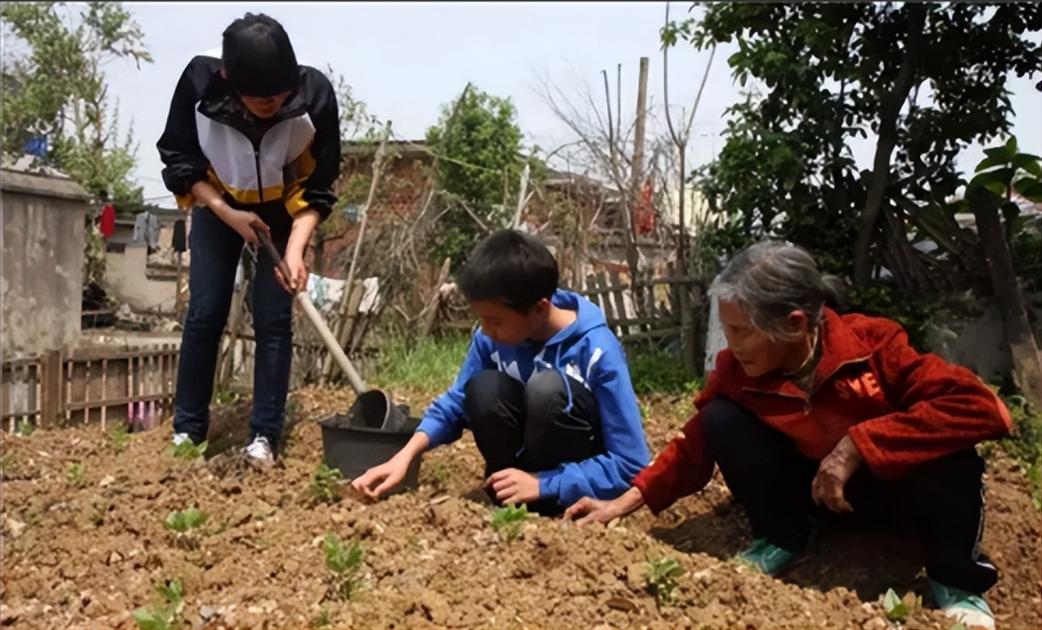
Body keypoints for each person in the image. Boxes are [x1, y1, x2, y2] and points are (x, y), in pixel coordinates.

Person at [565, 241, 1011, 630]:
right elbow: (696, 441)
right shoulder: (738, 372)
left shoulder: (873, 347)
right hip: (818, 500)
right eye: (728, 331)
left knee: (951, 452)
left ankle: (955, 579)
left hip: (898, 499)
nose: (731, 345)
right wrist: (623, 503)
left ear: (796, 325)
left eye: (741, 331)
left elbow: (982, 408)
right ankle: (785, 537)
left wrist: (860, 443)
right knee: (720, 419)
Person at [352, 229, 651, 514]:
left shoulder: (597, 350)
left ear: (538, 308)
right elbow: (457, 401)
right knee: (484, 388)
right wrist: (405, 456)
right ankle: (506, 492)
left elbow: (630, 463)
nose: (486, 331)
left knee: (547, 390)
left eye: (495, 321)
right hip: (517, 483)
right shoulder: (491, 339)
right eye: (482, 320)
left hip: (573, 492)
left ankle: (546, 502)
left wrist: (546, 483)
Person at [157, 13, 340, 467]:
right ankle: (187, 430)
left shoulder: (314, 97)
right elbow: (178, 157)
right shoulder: (199, 87)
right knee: (205, 312)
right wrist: (225, 211)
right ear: (229, 81)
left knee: (274, 317)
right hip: (217, 204)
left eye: (279, 95)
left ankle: (264, 437)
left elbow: (319, 186)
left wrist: (295, 249)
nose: (271, 104)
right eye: (259, 97)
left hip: (283, 213)